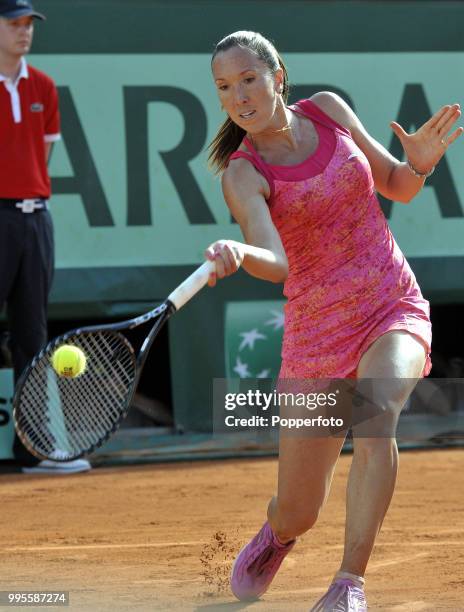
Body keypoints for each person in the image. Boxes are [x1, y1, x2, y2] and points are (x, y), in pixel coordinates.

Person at [205, 31, 462, 610]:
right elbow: (276, 263)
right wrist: (242, 253)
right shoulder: (242, 176)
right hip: (316, 339)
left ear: (277, 76)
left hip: (389, 302)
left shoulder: (327, 111)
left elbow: (396, 183)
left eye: (249, 79)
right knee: (298, 508)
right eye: (225, 87)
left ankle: (349, 583)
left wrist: (417, 167)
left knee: (377, 412)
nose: (239, 96)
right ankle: (279, 535)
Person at [0, 0, 91, 474]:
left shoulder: (44, 87)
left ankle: (32, 449)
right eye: (13, 23)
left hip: (35, 221)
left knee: (32, 334)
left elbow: (43, 158)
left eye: (28, 24)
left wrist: (24, 200)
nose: (24, 32)